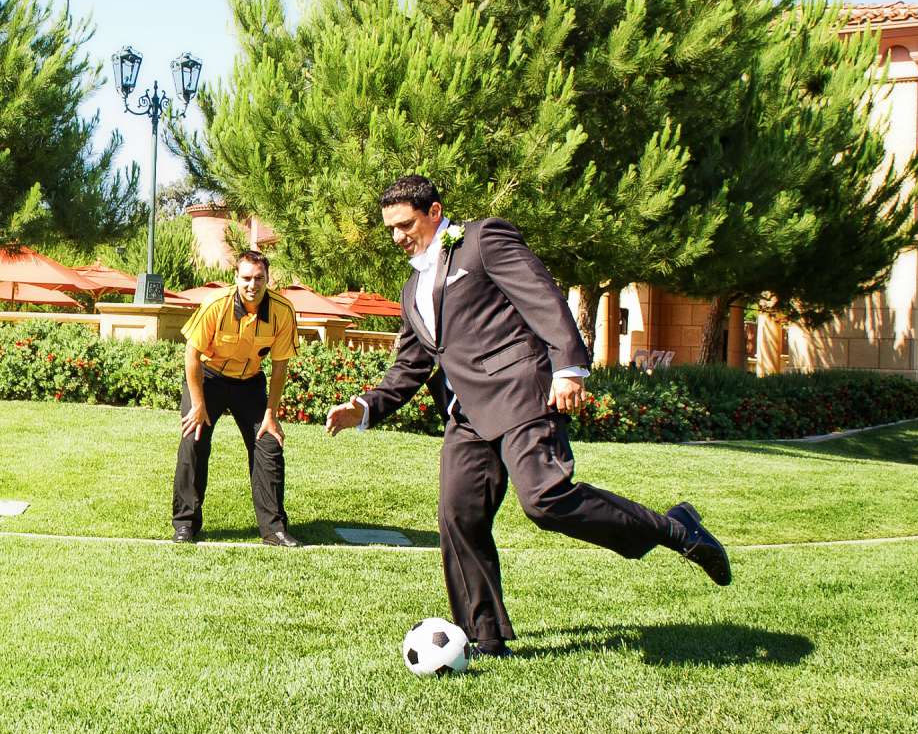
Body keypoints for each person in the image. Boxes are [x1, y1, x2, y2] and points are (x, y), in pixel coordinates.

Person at [325, 173, 730, 658]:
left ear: (435, 212)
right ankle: (483, 636)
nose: (398, 237)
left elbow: (541, 296)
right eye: (390, 228)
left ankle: (674, 529)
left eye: (406, 224)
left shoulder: (482, 239)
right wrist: (366, 407)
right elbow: (411, 363)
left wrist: (569, 366)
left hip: (520, 394)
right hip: (467, 417)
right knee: (459, 518)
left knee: (546, 501)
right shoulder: (412, 289)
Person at [172, 249, 301, 546]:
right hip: (208, 379)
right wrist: (199, 404)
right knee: (194, 440)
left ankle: (273, 529)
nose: (252, 285)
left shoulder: (282, 311)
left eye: (259, 278)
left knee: (268, 443)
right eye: (246, 278)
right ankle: (185, 525)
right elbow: (191, 354)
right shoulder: (215, 304)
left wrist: (271, 414)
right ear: (236, 278)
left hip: (249, 383)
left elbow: (280, 366)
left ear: (268, 279)